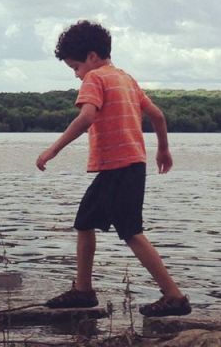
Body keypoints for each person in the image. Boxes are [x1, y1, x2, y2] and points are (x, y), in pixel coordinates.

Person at [35, 19, 191, 317]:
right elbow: (158, 116)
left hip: (117, 167)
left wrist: (53, 149)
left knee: (129, 231)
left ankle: (172, 296)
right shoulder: (126, 79)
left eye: (75, 68)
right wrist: (163, 149)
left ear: (92, 57)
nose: (77, 75)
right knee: (89, 222)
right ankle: (85, 290)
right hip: (131, 166)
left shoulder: (95, 79)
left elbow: (86, 118)